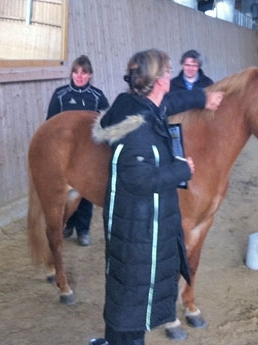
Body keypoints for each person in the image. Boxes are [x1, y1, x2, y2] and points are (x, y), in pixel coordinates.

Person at [92, 49, 223, 345]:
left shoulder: (137, 105)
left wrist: (202, 98)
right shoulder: (138, 130)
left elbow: (171, 102)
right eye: (166, 72)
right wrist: (179, 170)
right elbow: (138, 179)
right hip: (138, 225)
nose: (170, 77)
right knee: (134, 294)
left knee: (126, 292)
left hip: (136, 223)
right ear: (159, 81)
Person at [46, 54, 109, 247]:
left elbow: (107, 124)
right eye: (76, 72)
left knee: (86, 192)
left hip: (89, 154)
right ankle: (68, 225)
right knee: (65, 191)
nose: (80, 76)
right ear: (72, 74)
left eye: (84, 72)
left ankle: (83, 230)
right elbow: (50, 124)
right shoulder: (60, 95)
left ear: (90, 75)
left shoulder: (97, 96)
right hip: (66, 154)